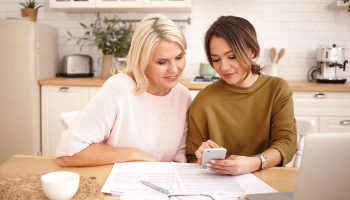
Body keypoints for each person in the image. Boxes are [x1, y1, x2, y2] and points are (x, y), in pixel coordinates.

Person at [56, 13, 191, 167]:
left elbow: (179, 158)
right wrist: (135, 155)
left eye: (179, 57)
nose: (174, 69)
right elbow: (67, 153)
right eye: (162, 62)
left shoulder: (182, 95)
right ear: (142, 61)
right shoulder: (119, 89)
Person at [186, 16, 297, 175]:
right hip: (219, 186)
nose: (223, 67)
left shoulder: (277, 89)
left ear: (251, 51)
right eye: (216, 59)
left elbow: (287, 143)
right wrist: (201, 157)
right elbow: (191, 158)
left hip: (267, 180)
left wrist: (255, 162)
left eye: (232, 56)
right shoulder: (203, 101)